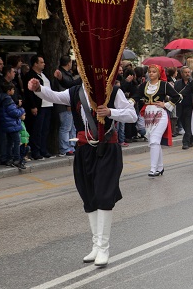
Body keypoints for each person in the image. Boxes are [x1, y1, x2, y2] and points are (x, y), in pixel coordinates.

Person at [27, 75, 137, 267]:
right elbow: (54, 96)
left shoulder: (112, 91)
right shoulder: (76, 91)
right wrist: (38, 89)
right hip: (84, 149)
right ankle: (96, 245)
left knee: (103, 195)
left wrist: (111, 111)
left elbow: (132, 115)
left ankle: (104, 247)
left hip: (107, 150)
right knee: (89, 196)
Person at [131, 64, 182, 176]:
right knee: (153, 141)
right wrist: (129, 103)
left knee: (154, 140)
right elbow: (136, 96)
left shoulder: (164, 85)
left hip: (160, 113)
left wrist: (166, 104)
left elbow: (178, 97)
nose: (151, 74)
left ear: (159, 74)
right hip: (148, 114)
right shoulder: (144, 85)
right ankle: (160, 167)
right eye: (150, 71)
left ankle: (153, 169)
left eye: (154, 72)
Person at [23, 55, 54, 160]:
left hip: (47, 104)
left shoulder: (43, 75)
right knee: (37, 130)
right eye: (41, 62)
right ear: (35, 64)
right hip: (39, 106)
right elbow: (29, 92)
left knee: (45, 129)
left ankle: (43, 150)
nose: (44, 64)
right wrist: (33, 106)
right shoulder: (30, 75)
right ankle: (36, 151)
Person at [53, 55, 81, 157]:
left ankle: (71, 146)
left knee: (72, 127)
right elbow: (66, 88)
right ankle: (65, 148)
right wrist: (68, 102)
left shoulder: (68, 74)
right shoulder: (62, 74)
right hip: (65, 105)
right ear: (68, 63)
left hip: (72, 104)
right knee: (66, 127)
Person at [0, 82, 26, 169]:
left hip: (6, 125)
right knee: (17, 141)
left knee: (10, 143)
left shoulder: (1, 98)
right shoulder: (8, 99)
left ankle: (9, 159)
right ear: (9, 91)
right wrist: (21, 110)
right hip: (12, 124)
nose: (14, 91)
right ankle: (17, 159)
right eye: (13, 89)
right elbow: (14, 112)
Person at [175, 66, 193, 150]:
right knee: (185, 125)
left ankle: (185, 142)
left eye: (188, 72)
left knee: (188, 124)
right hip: (181, 106)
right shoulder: (177, 83)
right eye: (185, 72)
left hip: (190, 106)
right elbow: (175, 94)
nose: (187, 74)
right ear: (181, 74)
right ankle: (191, 138)